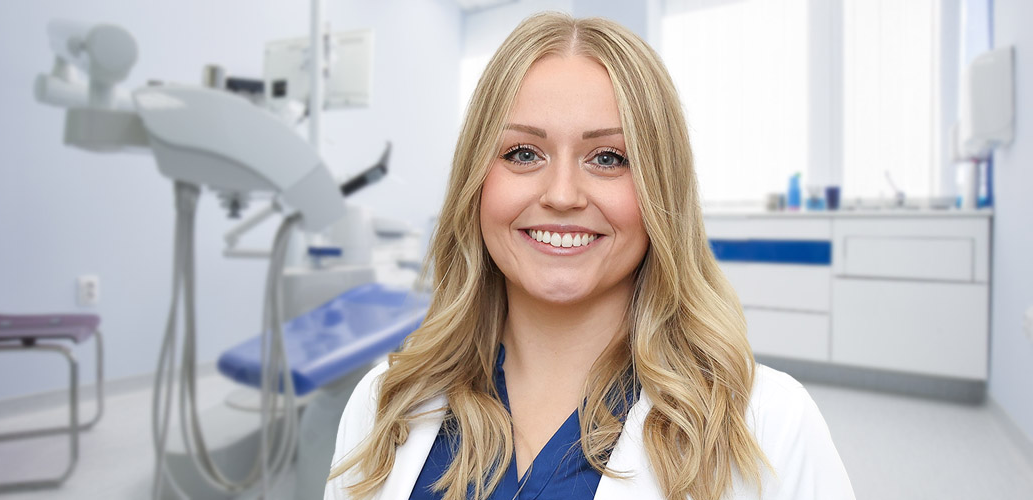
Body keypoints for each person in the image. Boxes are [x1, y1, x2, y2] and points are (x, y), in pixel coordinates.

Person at [325, 12, 854, 500]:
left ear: (660, 192)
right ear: (475, 183)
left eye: (608, 158)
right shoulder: (385, 404)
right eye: (523, 153)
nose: (561, 194)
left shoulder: (770, 424)